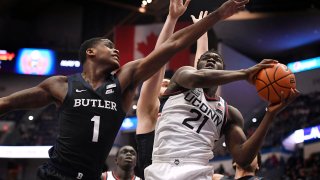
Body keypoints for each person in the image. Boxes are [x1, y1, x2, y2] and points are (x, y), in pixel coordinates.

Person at [0, 0, 249, 179]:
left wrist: (215, 15)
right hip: (56, 172)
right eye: (109, 45)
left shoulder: (123, 82)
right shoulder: (59, 85)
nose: (116, 49)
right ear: (91, 52)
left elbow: (168, 49)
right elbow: (6, 103)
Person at [144, 53, 300, 180]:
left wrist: (270, 115)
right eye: (206, 58)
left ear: (222, 69)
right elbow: (198, 78)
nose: (211, 59)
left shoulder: (229, 113)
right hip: (162, 165)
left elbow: (243, 158)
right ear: (197, 65)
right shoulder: (182, 78)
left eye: (217, 59)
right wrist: (245, 73)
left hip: (197, 171)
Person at [135, 2, 209, 178]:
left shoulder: (185, 108)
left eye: (169, 82)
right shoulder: (149, 112)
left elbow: (201, 75)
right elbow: (158, 61)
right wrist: (172, 18)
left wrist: (202, 32)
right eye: (163, 82)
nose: (165, 82)